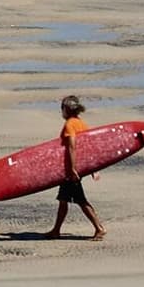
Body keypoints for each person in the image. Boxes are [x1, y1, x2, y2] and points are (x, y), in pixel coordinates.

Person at [45, 95, 106, 240]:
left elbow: (72, 146)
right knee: (63, 199)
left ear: (66, 109)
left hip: (71, 170)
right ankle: (56, 230)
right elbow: (87, 148)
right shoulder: (81, 123)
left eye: (62, 108)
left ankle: (99, 228)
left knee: (80, 200)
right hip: (78, 167)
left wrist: (72, 169)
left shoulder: (70, 124)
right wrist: (93, 168)